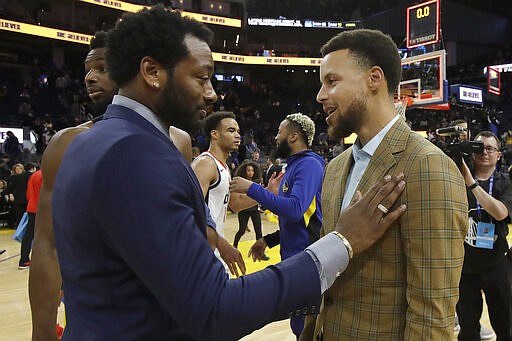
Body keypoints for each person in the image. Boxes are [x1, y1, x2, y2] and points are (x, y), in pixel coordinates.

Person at [51, 6, 406, 340]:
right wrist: (342, 242)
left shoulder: (86, 142)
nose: (212, 93)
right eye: (202, 78)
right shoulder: (136, 155)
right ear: (152, 72)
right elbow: (215, 309)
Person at [301, 29, 468, 340]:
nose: (320, 96)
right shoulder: (335, 168)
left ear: (373, 78)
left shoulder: (427, 165)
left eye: (332, 81)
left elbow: (433, 311)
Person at [28, 31, 118, 341]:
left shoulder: (178, 141)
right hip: (93, 319)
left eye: (102, 69)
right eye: (88, 71)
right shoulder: (67, 143)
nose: (90, 78)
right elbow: (47, 245)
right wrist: (41, 332)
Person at [229, 113, 324, 338]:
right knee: (297, 326)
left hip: (307, 259)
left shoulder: (309, 165)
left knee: (305, 328)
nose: (275, 137)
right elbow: (298, 222)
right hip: (293, 256)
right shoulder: (292, 166)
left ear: (292, 137)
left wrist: (252, 188)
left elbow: (294, 209)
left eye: (279, 132)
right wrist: (268, 240)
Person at [456, 131, 511, 340]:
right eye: (479, 148)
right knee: (468, 329)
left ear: (498, 154)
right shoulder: (456, 179)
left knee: (505, 326)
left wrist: (472, 184)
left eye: (490, 148)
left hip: (496, 264)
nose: (484, 153)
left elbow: (500, 213)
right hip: (465, 266)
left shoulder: (505, 182)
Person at [191, 111, 247, 276]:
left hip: (216, 248)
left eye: (238, 131)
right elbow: (193, 208)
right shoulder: (205, 163)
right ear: (214, 134)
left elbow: (233, 204)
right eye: (231, 131)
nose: (238, 136)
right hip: (203, 252)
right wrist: (221, 244)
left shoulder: (224, 166)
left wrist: (266, 193)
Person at [232, 160, 268, 261]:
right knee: (242, 230)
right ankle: (234, 246)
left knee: (258, 231)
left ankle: (261, 253)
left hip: (254, 210)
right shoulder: (240, 182)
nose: (250, 172)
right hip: (243, 210)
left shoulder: (257, 182)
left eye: (252, 170)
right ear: (245, 171)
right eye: (248, 170)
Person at [18, 168, 42, 270]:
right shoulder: (46, 175)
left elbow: (28, 193)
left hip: (31, 207)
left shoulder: (34, 175)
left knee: (29, 234)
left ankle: (24, 260)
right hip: (42, 209)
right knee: (47, 236)